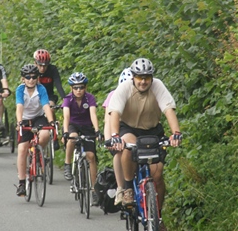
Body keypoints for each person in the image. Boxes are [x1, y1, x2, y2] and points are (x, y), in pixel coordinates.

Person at [108, 58, 182, 230]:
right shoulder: (125, 88)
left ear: (151, 78)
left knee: (157, 176)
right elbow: (115, 113)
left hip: (153, 131)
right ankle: (127, 188)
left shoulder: (158, 86)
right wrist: (114, 136)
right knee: (128, 147)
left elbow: (168, 110)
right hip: (129, 129)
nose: (143, 81)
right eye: (139, 77)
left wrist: (176, 133)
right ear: (133, 77)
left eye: (147, 78)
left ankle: (158, 215)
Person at [15, 64, 55, 196]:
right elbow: (19, 106)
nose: (31, 80)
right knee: (22, 150)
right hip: (25, 119)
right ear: (23, 79)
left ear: (37, 78)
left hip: (38, 118)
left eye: (34, 77)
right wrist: (19, 122)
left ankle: (37, 153)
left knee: (45, 135)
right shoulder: (20, 90)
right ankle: (21, 183)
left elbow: (46, 105)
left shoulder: (41, 89)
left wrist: (51, 121)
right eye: (28, 77)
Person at [62, 72, 100, 206]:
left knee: (91, 156)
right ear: (71, 88)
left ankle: (94, 189)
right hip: (72, 126)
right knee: (73, 138)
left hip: (87, 127)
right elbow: (66, 116)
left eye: (81, 87)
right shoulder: (67, 99)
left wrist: (97, 130)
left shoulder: (90, 98)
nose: (79, 90)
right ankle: (67, 164)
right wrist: (65, 132)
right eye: (76, 88)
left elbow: (93, 114)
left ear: (85, 87)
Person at [102, 67, 132, 205]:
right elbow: (108, 120)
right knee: (119, 154)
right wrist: (109, 140)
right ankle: (120, 188)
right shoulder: (113, 95)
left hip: (132, 129)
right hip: (117, 129)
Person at [34, 49, 66, 150]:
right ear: (35, 63)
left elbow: (58, 85)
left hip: (48, 96)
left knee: (51, 108)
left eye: (45, 65)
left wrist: (65, 99)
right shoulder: (32, 71)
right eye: (40, 65)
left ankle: (54, 135)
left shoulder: (52, 70)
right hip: (34, 97)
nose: (43, 68)